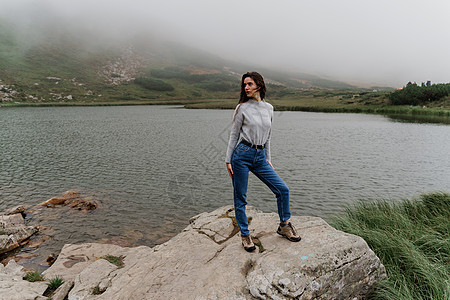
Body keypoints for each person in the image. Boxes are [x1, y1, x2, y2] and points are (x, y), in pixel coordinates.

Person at [225, 71, 301, 252]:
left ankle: (284, 225)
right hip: (242, 155)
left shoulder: (269, 108)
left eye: (249, 84)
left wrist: (268, 159)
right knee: (240, 197)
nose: (246, 88)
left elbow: (268, 136)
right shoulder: (241, 108)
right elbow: (234, 135)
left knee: (283, 189)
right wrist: (228, 160)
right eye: (244, 85)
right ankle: (245, 234)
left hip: (260, 157)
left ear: (259, 85)